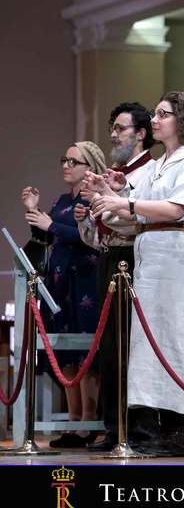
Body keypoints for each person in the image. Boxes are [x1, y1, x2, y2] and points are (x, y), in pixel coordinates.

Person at [90, 91, 184, 457]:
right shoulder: (161, 163)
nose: (155, 120)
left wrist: (125, 201)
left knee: (177, 341)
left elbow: (176, 208)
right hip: (152, 261)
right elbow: (137, 204)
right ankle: (152, 427)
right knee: (148, 346)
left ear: (183, 121)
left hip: (177, 260)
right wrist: (116, 189)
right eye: (156, 114)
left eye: (163, 114)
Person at [75, 102, 156, 452]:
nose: (113, 133)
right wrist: (87, 213)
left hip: (134, 258)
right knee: (110, 346)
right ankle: (113, 425)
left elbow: (141, 220)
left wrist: (112, 198)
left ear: (140, 134)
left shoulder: (150, 172)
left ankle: (135, 425)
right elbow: (96, 236)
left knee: (131, 346)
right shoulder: (113, 171)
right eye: (112, 126)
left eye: (121, 127)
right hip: (109, 257)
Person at [20, 141, 107, 448]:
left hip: (84, 280)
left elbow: (93, 238)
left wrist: (51, 224)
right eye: (64, 160)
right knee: (66, 353)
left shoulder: (94, 198)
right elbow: (47, 237)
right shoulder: (60, 200)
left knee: (86, 353)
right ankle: (73, 419)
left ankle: (89, 420)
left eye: (74, 161)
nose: (66, 165)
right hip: (59, 283)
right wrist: (35, 213)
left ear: (91, 168)